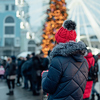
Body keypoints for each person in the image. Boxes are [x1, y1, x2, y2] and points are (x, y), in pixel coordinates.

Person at [42, 20, 88, 100]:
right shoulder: (84, 61)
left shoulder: (58, 60)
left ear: (59, 42)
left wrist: (45, 75)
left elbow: (48, 87)